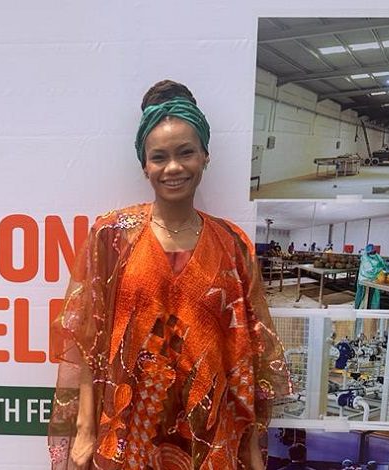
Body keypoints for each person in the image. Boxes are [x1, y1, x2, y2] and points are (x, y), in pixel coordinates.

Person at [48, 80, 290, 469]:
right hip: (128, 431)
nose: (173, 167)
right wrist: (85, 427)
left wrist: (248, 447)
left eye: (186, 152)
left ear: (205, 156)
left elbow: (246, 352)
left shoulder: (231, 244)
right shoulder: (113, 236)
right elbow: (88, 339)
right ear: (145, 165)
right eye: (159, 157)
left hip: (206, 436)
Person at [354, 244, 389, 309]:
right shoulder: (365, 258)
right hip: (364, 279)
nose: (372, 254)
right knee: (363, 295)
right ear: (367, 253)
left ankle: (372, 309)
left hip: (374, 279)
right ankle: (359, 309)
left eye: (373, 252)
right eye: (371, 253)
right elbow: (370, 270)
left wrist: (386, 267)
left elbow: (382, 263)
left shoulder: (377, 256)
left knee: (374, 296)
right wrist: (380, 269)